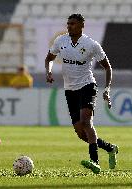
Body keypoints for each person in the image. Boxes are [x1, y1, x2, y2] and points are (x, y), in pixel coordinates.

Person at [45, 14, 118, 174]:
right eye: (68, 23)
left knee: (86, 122)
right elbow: (49, 58)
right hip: (70, 90)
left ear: (81, 26)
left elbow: (108, 67)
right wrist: (49, 72)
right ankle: (110, 148)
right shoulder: (60, 41)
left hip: (87, 86)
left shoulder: (91, 45)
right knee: (80, 133)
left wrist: (107, 89)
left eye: (72, 24)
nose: (69, 26)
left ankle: (95, 162)